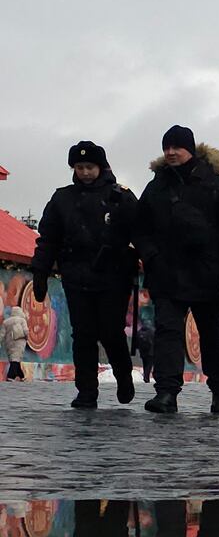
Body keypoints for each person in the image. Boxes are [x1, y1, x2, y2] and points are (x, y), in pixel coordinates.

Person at [134, 126, 219, 415]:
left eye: (177, 147)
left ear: (191, 150)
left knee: (213, 336)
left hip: (208, 274)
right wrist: (151, 255)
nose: (171, 152)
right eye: (166, 147)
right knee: (168, 333)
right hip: (167, 273)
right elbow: (140, 226)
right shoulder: (155, 187)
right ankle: (167, 393)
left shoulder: (216, 185)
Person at [30, 141, 140, 408]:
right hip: (76, 276)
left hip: (113, 276)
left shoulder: (121, 196)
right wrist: (40, 272)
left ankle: (123, 374)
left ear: (101, 167)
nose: (85, 172)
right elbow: (48, 239)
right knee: (83, 334)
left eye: (89, 166)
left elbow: (141, 233)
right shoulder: (62, 199)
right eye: (79, 167)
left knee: (111, 331)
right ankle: (87, 390)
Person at [3, 305, 27, 381]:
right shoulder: (22, 320)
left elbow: (2, 334)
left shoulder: (6, 322)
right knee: (15, 359)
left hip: (9, 343)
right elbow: (26, 331)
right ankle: (10, 376)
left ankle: (21, 376)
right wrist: (27, 338)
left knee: (15, 359)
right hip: (19, 342)